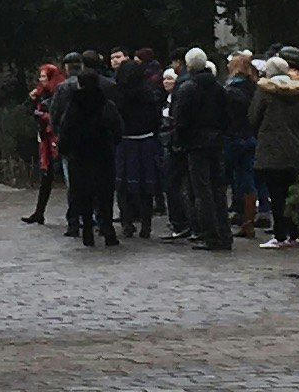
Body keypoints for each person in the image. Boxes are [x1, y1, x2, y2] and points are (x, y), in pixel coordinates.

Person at [55, 52, 120, 246]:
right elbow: (117, 128)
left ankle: (87, 232)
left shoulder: (74, 106)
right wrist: (112, 144)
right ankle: (108, 230)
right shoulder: (106, 105)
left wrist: (64, 150)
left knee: (82, 193)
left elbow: (64, 128)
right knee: (105, 194)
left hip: (79, 157)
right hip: (103, 155)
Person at [170, 47, 232, 249]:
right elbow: (225, 116)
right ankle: (224, 233)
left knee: (202, 191)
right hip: (216, 141)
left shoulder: (188, 88)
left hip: (196, 143)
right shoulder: (218, 87)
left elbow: (180, 120)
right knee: (218, 189)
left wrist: (180, 140)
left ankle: (211, 235)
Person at [250, 53, 299, 248]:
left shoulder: (265, 91)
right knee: (291, 191)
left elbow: (253, 117)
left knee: (275, 193)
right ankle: (294, 234)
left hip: (270, 147)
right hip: (292, 145)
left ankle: (280, 235)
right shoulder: (297, 92)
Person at [112, 48, 164, 237]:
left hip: (125, 142)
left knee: (124, 185)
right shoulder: (148, 92)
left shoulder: (118, 93)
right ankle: (146, 224)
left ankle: (127, 221)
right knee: (146, 185)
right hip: (146, 140)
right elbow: (156, 117)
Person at [220, 47, 264, 239]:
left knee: (226, 178)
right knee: (247, 179)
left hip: (232, 137)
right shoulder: (254, 87)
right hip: (249, 136)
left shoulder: (230, 89)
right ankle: (248, 220)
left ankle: (230, 217)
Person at [23, 59, 65, 224]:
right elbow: (30, 111)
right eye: (40, 76)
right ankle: (39, 212)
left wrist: (42, 115)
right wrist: (32, 100)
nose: (41, 79)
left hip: (57, 137)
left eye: (44, 76)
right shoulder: (40, 93)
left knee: (69, 177)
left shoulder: (58, 92)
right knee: (46, 177)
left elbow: (56, 115)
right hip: (45, 139)